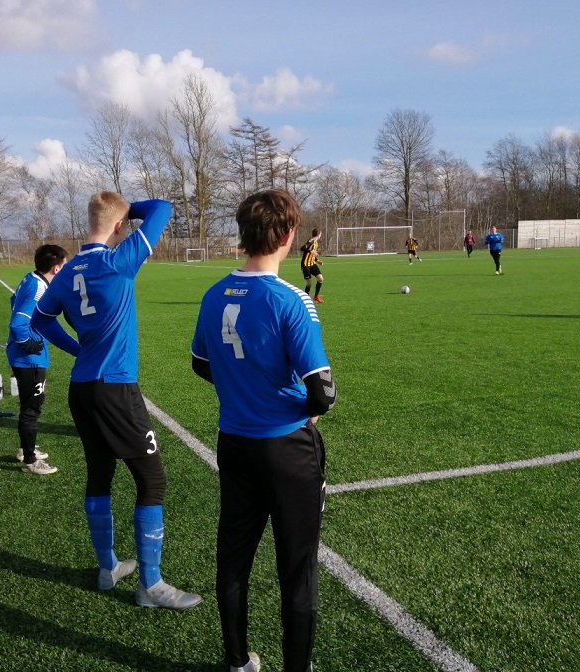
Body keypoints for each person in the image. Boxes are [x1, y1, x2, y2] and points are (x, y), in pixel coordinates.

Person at [30, 191, 201, 610]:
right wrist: (127, 208)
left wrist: (77, 349)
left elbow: (40, 320)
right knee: (153, 482)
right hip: (115, 388)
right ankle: (150, 585)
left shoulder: (67, 272)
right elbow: (162, 208)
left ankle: (108, 567)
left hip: (82, 388)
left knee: (99, 474)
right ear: (121, 225)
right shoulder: (119, 260)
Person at [191, 189, 336, 672]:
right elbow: (323, 393)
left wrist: (243, 390)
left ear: (244, 233)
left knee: (234, 557)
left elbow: (201, 364)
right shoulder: (292, 300)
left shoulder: (213, 294)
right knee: (297, 570)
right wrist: (296, 406)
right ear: (289, 234)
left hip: (234, 444)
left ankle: (237, 661)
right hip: (287, 449)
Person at [6, 243, 77, 476]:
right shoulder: (39, 288)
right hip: (30, 359)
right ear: (56, 269)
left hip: (21, 356)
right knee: (32, 409)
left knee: (28, 405)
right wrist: (27, 341)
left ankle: (26, 447)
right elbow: (18, 323)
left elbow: (13, 301)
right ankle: (30, 460)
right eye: (65, 265)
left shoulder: (31, 277)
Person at [299, 228, 325, 304]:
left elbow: (312, 254)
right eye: (320, 234)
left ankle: (316, 296)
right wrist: (310, 251)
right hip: (305, 265)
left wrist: (317, 260)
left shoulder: (316, 243)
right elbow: (302, 248)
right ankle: (305, 298)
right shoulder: (311, 240)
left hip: (312, 264)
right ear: (319, 234)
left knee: (320, 279)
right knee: (309, 283)